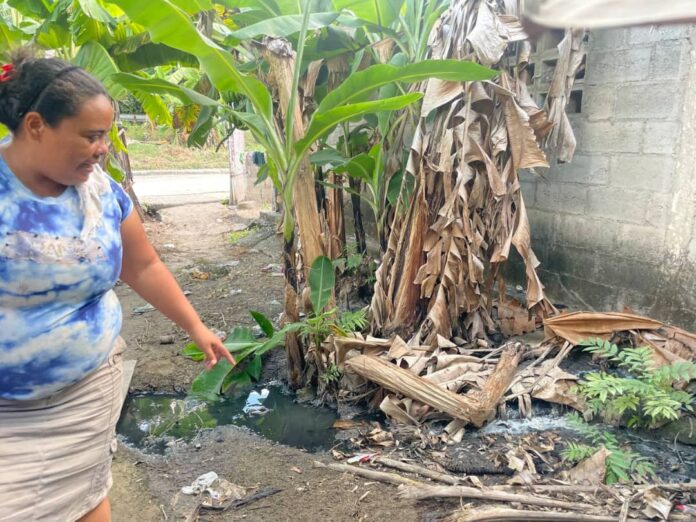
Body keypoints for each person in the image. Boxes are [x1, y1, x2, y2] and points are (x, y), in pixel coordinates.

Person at [0, 50, 235, 522]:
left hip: (87, 387)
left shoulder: (101, 192)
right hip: (7, 412)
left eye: (105, 135)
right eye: (90, 136)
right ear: (35, 125)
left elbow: (143, 266)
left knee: (86, 494)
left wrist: (196, 326)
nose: (103, 147)